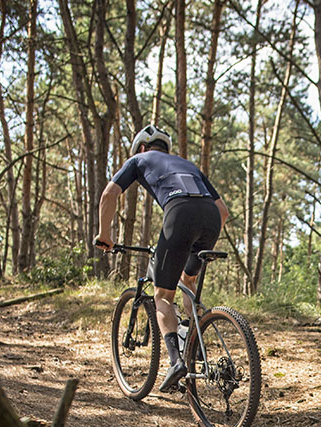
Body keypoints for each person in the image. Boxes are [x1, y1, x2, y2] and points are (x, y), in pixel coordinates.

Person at [94, 124, 230, 392]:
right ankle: (195, 343)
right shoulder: (188, 164)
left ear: (142, 147)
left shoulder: (138, 159)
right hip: (211, 219)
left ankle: (176, 363)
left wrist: (104, 234)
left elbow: (109, 194)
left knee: (163, 296)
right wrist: (200, 238)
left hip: (179, 213)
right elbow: (223, 211)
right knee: (188, 282)